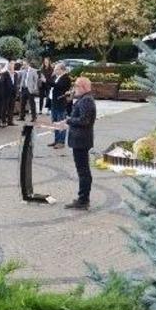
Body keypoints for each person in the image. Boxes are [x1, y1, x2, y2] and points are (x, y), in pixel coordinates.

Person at [60, 77, 96, 210]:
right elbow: (73, 114)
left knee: (83, 171)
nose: (74, 88)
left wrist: (69, 121)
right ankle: (82, 198)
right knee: (82, 170)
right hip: (79, 139)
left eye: (76, 86)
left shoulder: (87, 100)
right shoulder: (82, 99)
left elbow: (85, 121)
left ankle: (83, 200)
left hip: (81, 140)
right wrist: (69, 101)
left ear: (83, 87)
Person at [48, 63, 72, 149]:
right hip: (54, 102)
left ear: (61, 70)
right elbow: (51, 84)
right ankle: (56, 140)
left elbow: (58, 86)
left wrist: (47, 80)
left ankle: (61, 142)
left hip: (61, 103)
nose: (55, 71)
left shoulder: (66, 78)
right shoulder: (56, 77)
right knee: (55, 122)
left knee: (61, 122)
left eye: (56, 69)